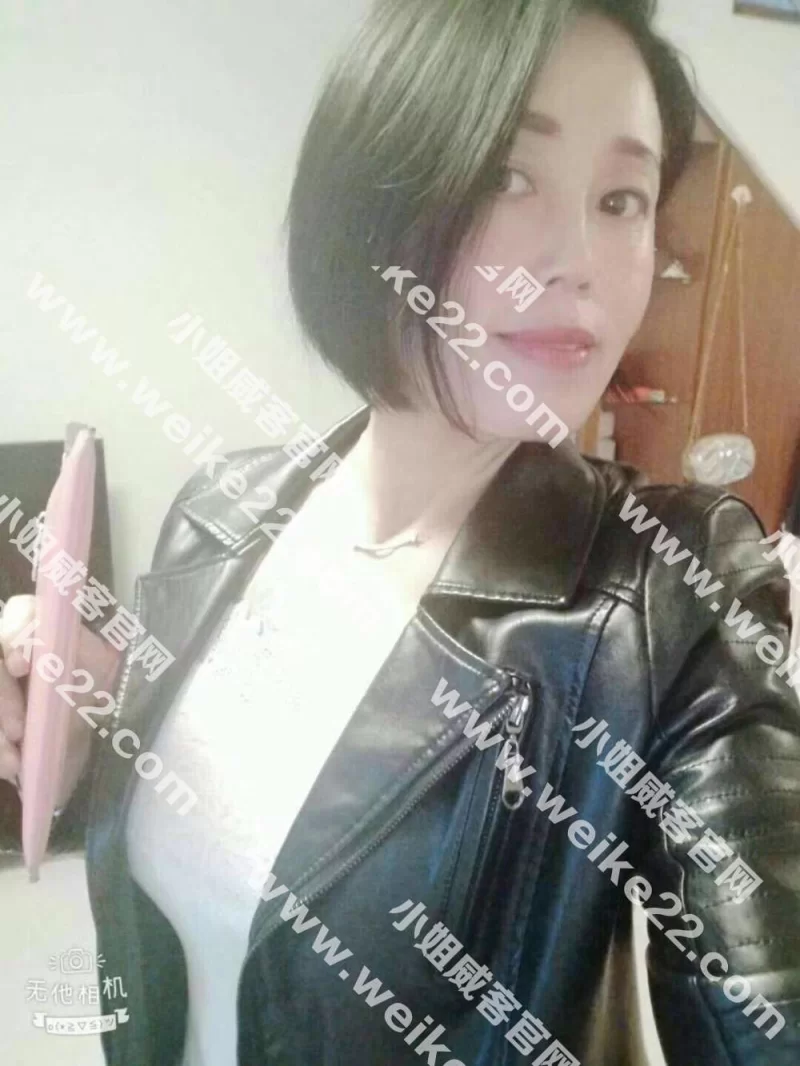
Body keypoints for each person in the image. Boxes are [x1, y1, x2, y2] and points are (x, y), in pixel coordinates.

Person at [1, 1, 799, 1063]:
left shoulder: (669, 592)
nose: (578, 259)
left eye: (621, 199)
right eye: (508, 176)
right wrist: (75, 723)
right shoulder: (221, 508)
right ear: (370, 198)